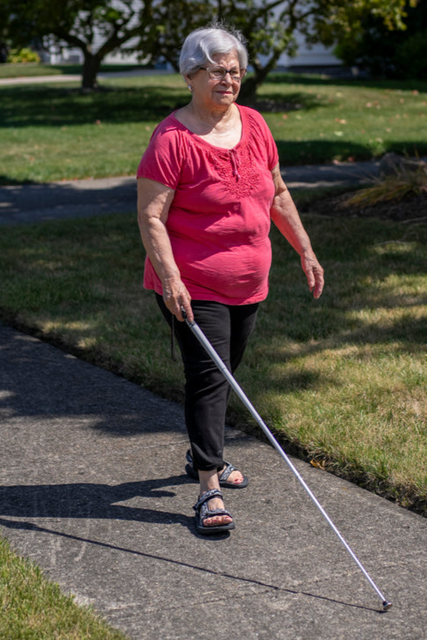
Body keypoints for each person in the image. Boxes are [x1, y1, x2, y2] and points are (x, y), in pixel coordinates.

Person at [137, 24, 324, 535]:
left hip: (249, 281)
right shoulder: (172, 139)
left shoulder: (257, 125)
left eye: (236, 70)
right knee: (209, 377)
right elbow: (151, 216)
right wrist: (171, 278)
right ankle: (208, 488)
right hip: (192, 281)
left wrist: (304, 249)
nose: (230, 79)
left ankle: (204, 454)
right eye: (219, 70)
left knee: (226, 375)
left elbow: (278, 193)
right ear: (191, 75)